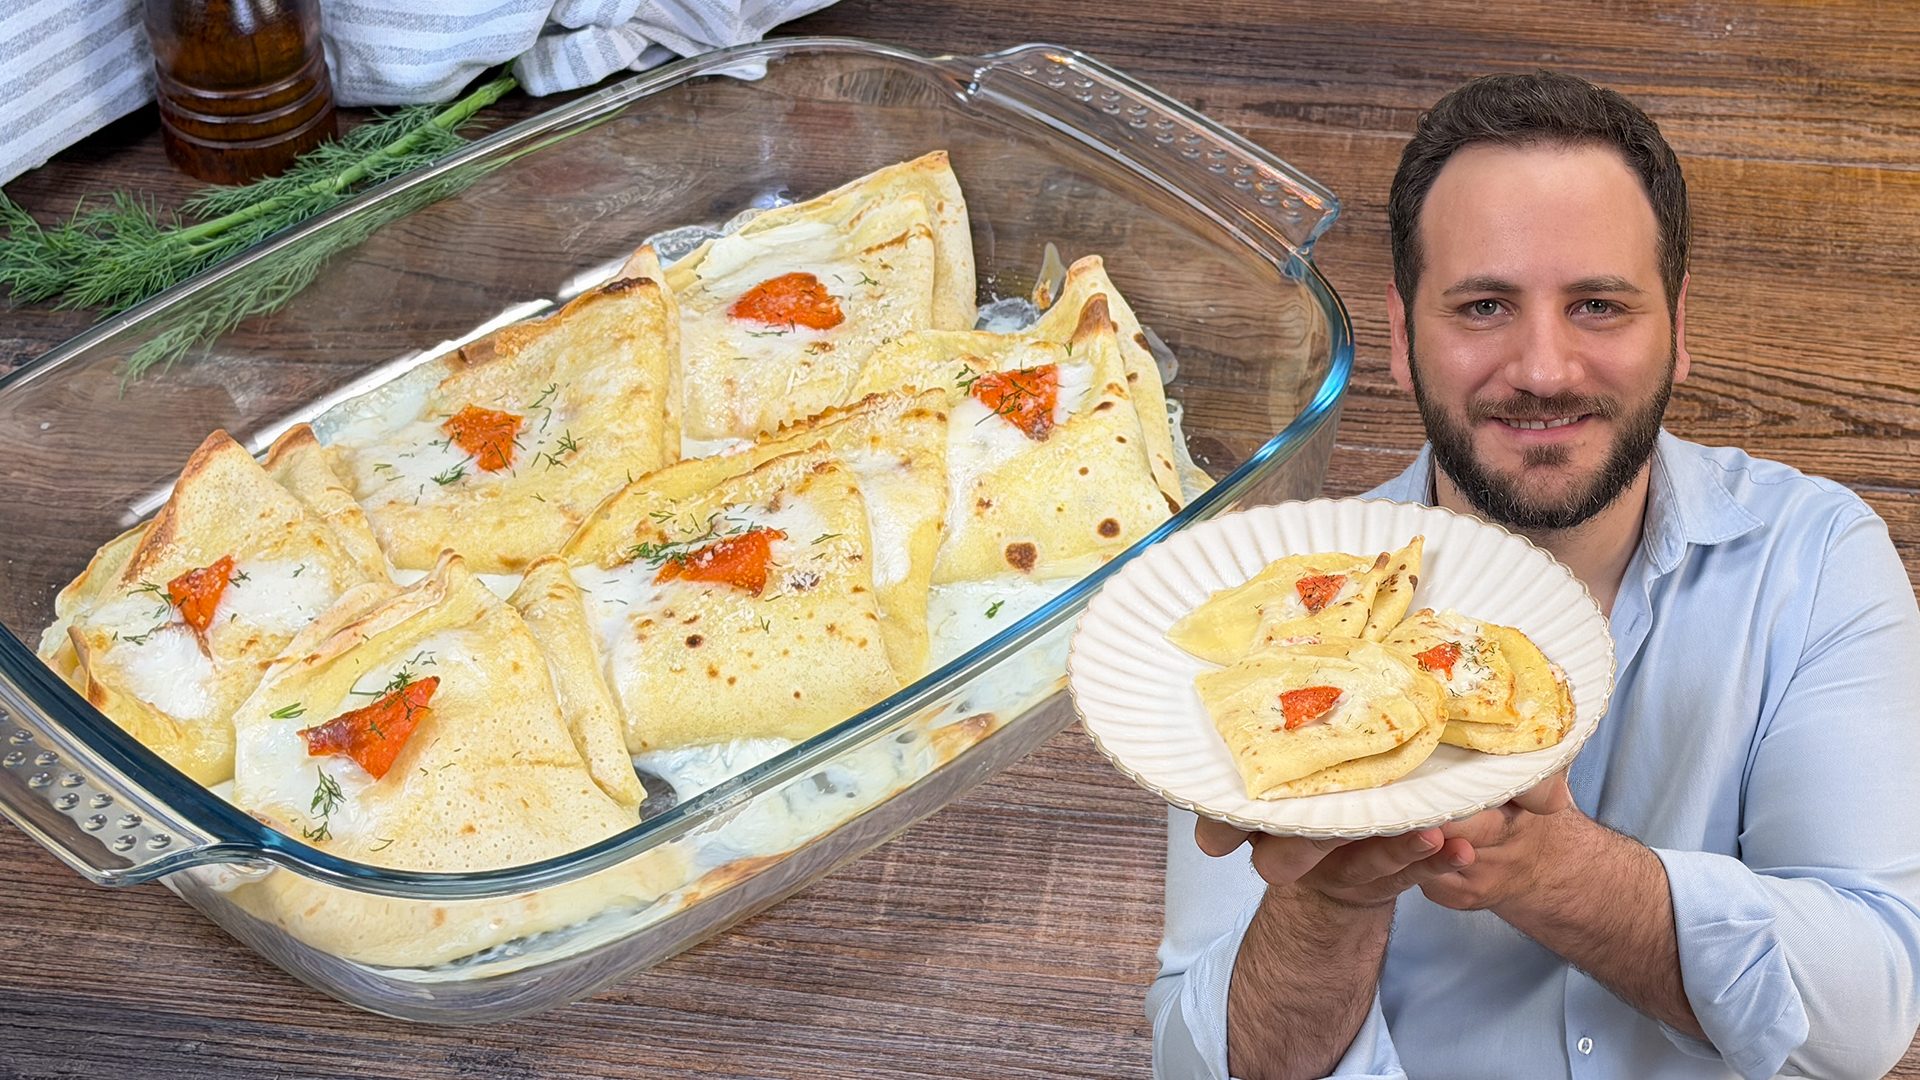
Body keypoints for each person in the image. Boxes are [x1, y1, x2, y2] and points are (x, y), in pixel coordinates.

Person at [1146, 71, 1920, 1080]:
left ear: (1679, 329)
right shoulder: (1271, 608)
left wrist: (1546, 866)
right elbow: (1197, 1066)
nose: (1544, 368)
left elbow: (1866, 1018)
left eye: (1598, 304)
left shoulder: (1813, 559)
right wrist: (1329, 896)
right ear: (1401, 333)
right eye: (1483, 306)